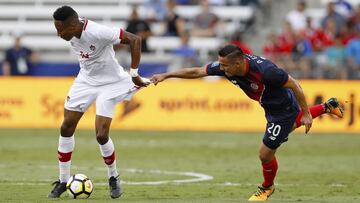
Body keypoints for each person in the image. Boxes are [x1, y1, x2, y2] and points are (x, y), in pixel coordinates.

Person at [150, 44, 344, 201]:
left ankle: (267, 188)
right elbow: (197, 72)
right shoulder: (228, 67)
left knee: (265, 154)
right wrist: (166, 75)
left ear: (239, 63)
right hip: (270, 107)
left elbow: (295, 84)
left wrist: (307, 114)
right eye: (221, 65)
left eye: (225, 66)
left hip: (283, 110)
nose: (222, 69)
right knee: (289, 129)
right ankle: (328, 106)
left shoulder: (266, 72)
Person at [48, 5, 150, 199]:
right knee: (66, 127)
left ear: (72, 25)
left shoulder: (97, 31)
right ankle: (63, 181)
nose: (58, 34)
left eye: (60, 29)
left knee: (101, 135)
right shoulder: (71, 33)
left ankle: (113, 177)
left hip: (111, 83)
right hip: (86, 81)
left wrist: (134, 73)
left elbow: (135, 39)